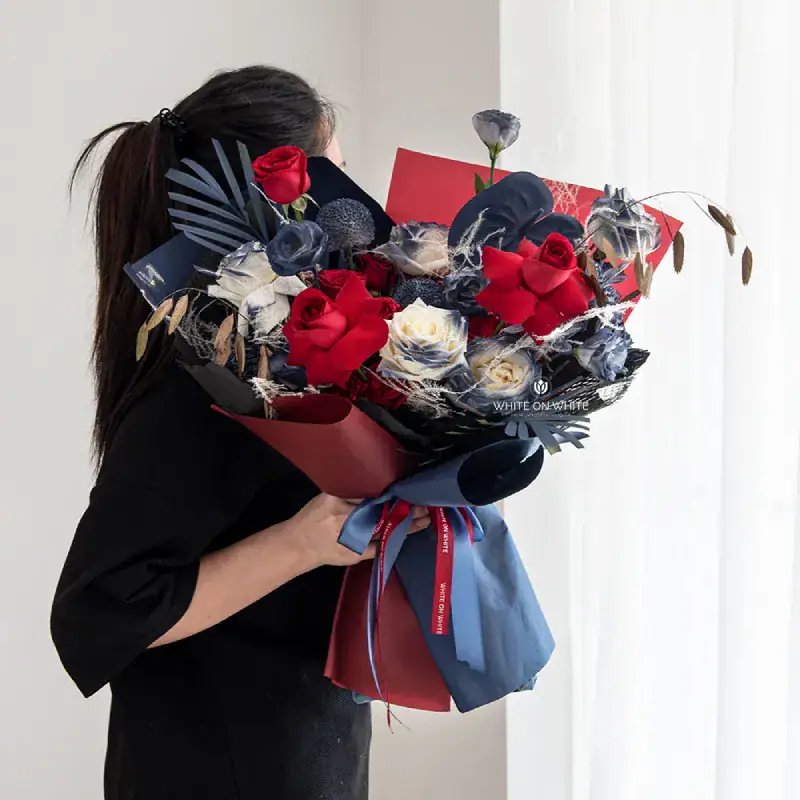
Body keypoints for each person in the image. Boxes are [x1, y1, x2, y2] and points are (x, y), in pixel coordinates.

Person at [50, 65, 430, 800]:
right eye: (341, 175)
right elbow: (97, 615)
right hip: (216, 765)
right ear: (280, 204)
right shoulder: (196, 386)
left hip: (305, 745)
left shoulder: (295, 365)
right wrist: (300, 542)